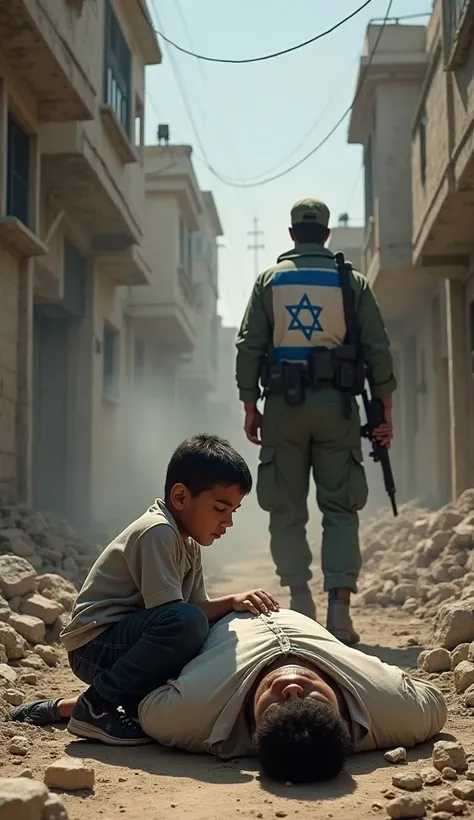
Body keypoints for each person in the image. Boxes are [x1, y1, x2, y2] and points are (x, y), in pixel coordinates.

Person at [15, 434, 279, 746]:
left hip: (130, 641)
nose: (228, 522)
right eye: (221, 508)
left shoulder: (188, 542)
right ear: (180, 497)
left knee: (201, 634)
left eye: (233, 511)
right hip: (95, 645)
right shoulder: (158, 532)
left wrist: (235, 602)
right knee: (188, 626)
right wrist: (228, 604)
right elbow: (178, 617)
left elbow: (195, 609)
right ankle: (96, 707)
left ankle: (67, 708)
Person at [12, 609, 447, 785]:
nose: (292, 687)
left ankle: (67, 706)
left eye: (278, 704)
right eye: (313, 700)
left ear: (251, 726)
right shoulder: (399, 712)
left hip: (214, 620)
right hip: (298, 617)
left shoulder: (188, 715)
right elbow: (435, 702)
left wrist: (76, 705)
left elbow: (142, 702)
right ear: (344, 724)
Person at [235, 198, 396, 644]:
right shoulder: (352, 281)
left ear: (291, 234)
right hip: (338, 407)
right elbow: (379, 349)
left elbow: (249, 346)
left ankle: (301, 602)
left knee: (285, 507)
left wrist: (251, 405)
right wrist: (384, 412)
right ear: (325, 234)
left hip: (284, 408)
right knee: (340, 507)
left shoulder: (270, 279)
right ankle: (340, 614)